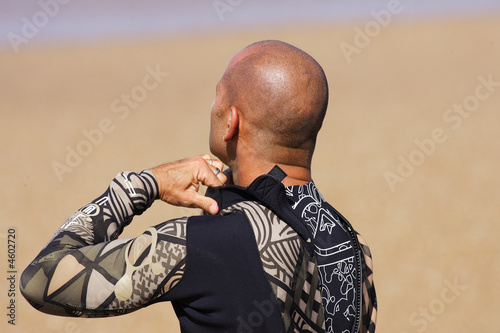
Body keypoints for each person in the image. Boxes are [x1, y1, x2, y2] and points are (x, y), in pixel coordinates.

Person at [21, 40, 377, 332]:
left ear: (231, 123)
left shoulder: (205, 243)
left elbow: (40, 279)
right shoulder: (352, 244)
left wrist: (144, 185)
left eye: (218, 96)